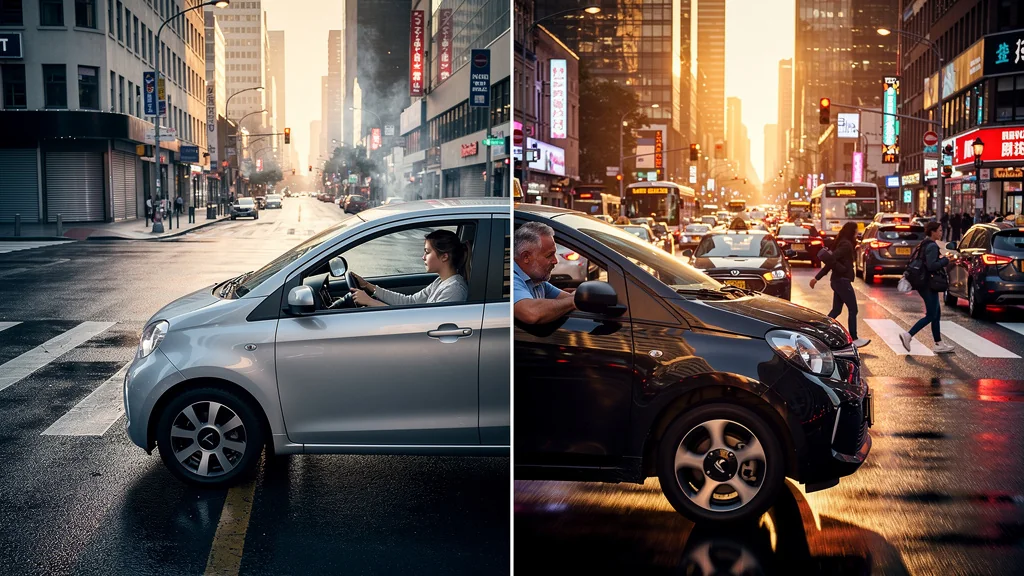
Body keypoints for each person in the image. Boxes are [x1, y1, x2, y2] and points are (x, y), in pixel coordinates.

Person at [349, 229, 469, 307]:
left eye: (427, 252)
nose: (423, 257)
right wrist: (368, 286)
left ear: (444, 257)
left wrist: (370, 302)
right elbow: (409, 302)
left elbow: (423, 322)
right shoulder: (440, 282)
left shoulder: (454, 289)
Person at [809, 222, 870, 348]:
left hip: (838, 281)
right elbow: (831, 259)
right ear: (851, 231)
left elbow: (831, 261)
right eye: (856, 231)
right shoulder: (846, 245)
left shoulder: (843, 242)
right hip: (841, 281)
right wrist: (841, 269)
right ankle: (854, 338)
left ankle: (819, 330)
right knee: (853, 309)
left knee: (836, 310)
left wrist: (817, 278)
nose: (857, 233)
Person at [900, 222, 953, 353]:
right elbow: (931, 266)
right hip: (927, 283)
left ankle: (939, 343)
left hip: (924, 282)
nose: (941, 233)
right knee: (931, 314)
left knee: (936, 313)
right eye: (940, 230)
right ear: (933, 232)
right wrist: (946, 260)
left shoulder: (923, 243)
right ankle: (908, 335)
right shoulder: (932, 246)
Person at [513, 221, 576, 325]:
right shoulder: (512, 280)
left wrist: (582, 296)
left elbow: (566, 298)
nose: (556, 261)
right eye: (549, 255)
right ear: (526, 257)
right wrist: (573, 302)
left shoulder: (537, 282)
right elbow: (531, 313)